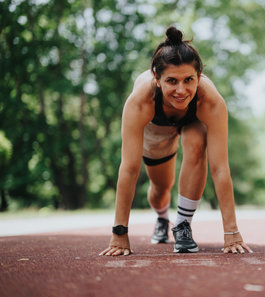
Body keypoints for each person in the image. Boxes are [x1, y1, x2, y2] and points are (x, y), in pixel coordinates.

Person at [99, 26, 253, 256]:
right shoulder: (140, 101)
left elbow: (220, 168)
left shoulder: (211, 102)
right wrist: (119, 233)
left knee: (197, 142)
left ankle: (182, 225)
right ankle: (162, 217)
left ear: (199, 77)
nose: (181, 90)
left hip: (193, 121)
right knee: (161, 190)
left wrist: (231, 232)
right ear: (157, 78)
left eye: (189, 80)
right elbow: (129, 169)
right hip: (156, 127)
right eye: (172, 81)